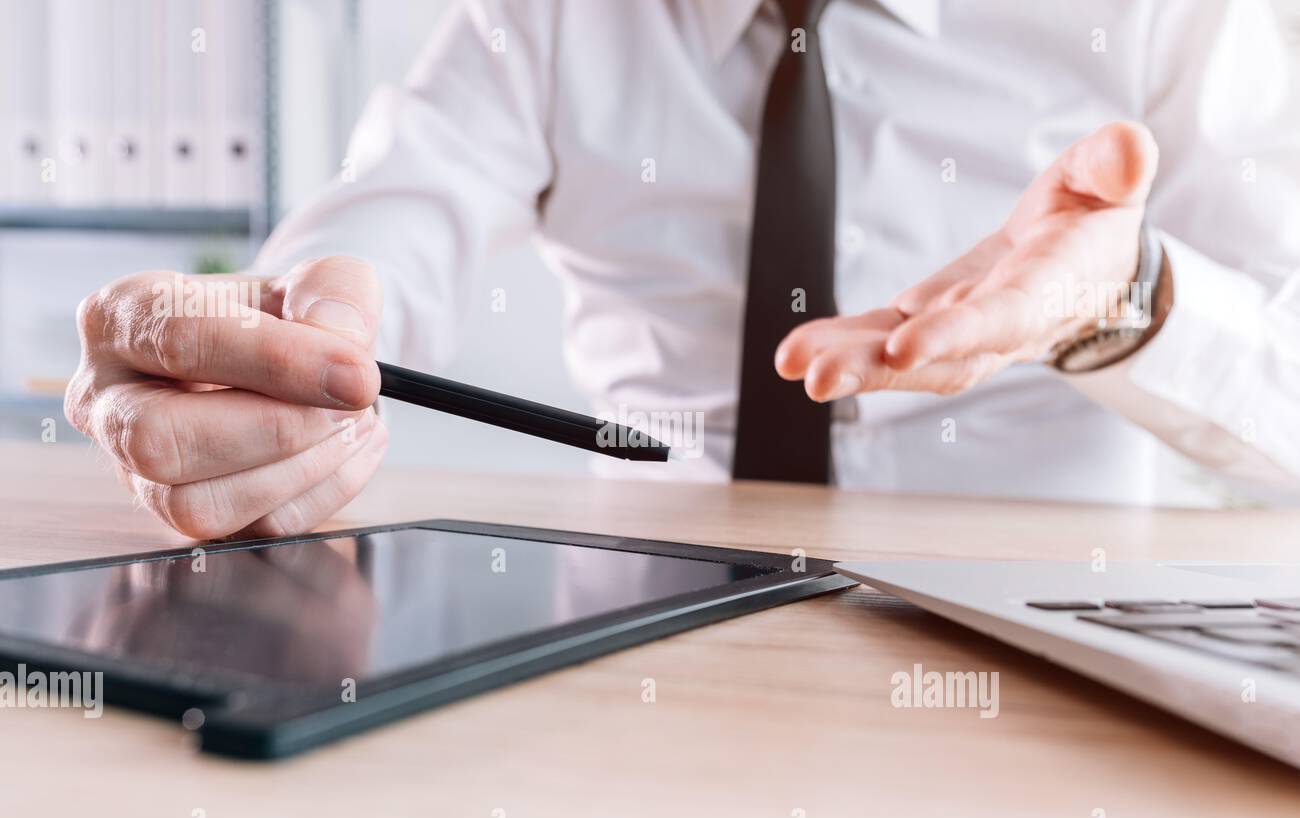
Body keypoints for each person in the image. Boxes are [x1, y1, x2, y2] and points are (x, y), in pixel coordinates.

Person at [65, 0, 1300, 540]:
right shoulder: (550, 13)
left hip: (1044, 628)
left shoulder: (1161, 9)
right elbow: (392, 212)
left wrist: (1120, 297)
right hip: (650, 618)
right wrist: (278, 346)